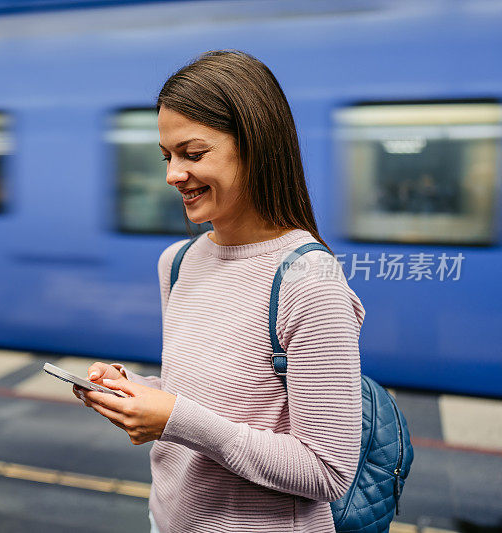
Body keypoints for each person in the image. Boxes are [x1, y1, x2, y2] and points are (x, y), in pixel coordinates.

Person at [73, 50, 364, 533]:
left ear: (256, 145)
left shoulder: (309, 281)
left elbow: (327, 471)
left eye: (193, 153)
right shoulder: (179, 263)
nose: (172, 175)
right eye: (167, 157)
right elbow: (208, 399)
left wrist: (174, 419)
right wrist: (138, 392)